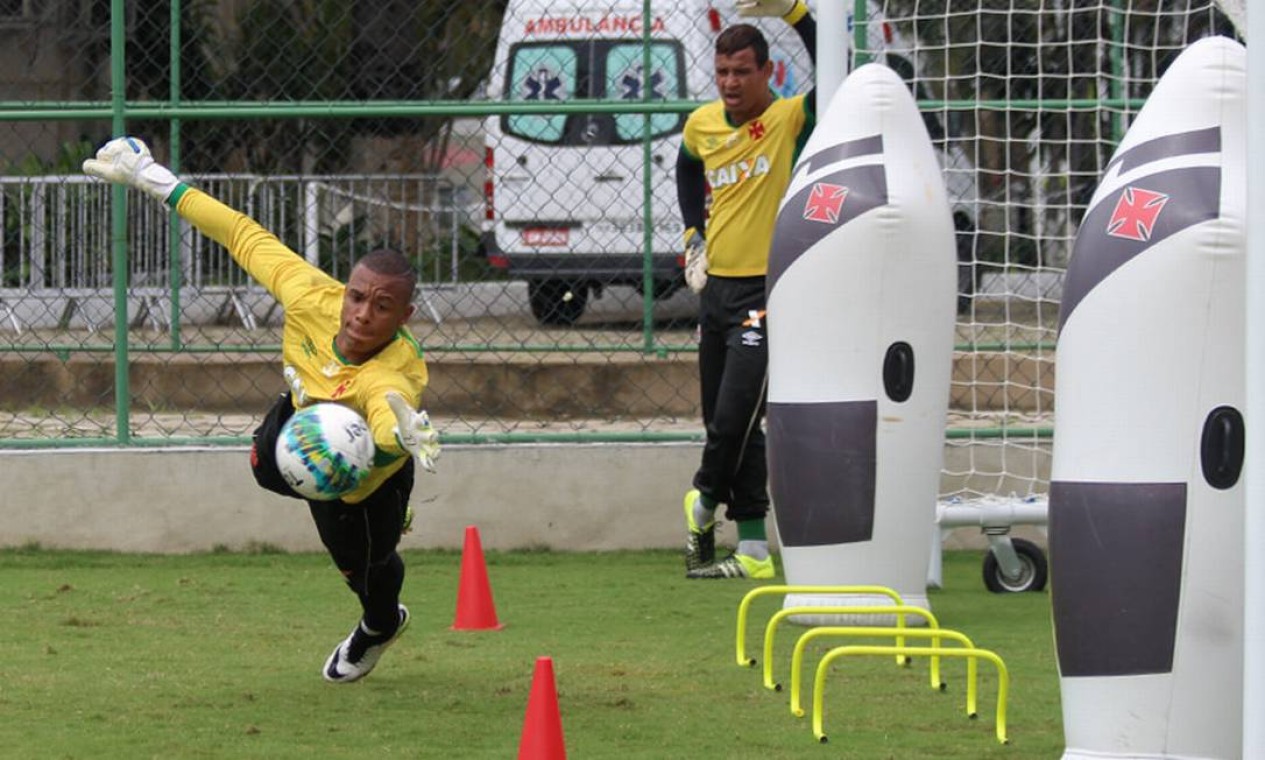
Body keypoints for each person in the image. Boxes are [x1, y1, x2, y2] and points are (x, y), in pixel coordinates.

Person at [83, 137, 441, 683]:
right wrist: (152, 176)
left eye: (382, 306)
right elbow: (240, 233)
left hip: (364, 484)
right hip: (300, 418)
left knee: (366, 570)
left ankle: (380, 624)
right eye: (357, 296)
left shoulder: (395, 371)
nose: (363, 313)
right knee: (263, 466)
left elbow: (387, 415)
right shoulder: (310, 297)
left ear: (405, 316)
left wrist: (401, 437)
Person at [676, 0, 816, 579]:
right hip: (717, 293)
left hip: (766, 291)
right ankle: (755, 547)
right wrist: (693, 235)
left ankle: (703, 499)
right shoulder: (702, 124)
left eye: (742, 72)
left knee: (737, 415)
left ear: (767, 74)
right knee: (725, 420)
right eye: (723, 73)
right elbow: (686, 168)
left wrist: (795, 13)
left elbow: (841, 70)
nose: (731, 83)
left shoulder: (788, 119)